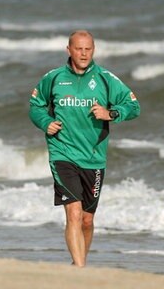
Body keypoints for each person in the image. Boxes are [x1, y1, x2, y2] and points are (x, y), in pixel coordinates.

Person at [28, 30, 140, 266]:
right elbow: (35, 106)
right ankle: (80, 270)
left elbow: (133, 105)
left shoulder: (106, 79)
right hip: (63, 153)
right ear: (68, 50)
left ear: (94, 50)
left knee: (87, 220)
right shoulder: (54, 78)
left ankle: (78, 263)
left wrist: (111, 113)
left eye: (87, 49)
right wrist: (46, 122)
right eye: (78, 48)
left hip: (94, 157)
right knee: (74, 213)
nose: (83, 53)